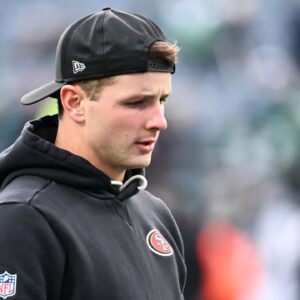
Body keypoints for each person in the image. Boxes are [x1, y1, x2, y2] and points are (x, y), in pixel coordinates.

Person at [0, 8, 186, 300]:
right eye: (137, 102)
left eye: (161, 100)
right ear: (74, 102)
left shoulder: (156, 216)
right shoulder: (22, 218)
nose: (159, 120)